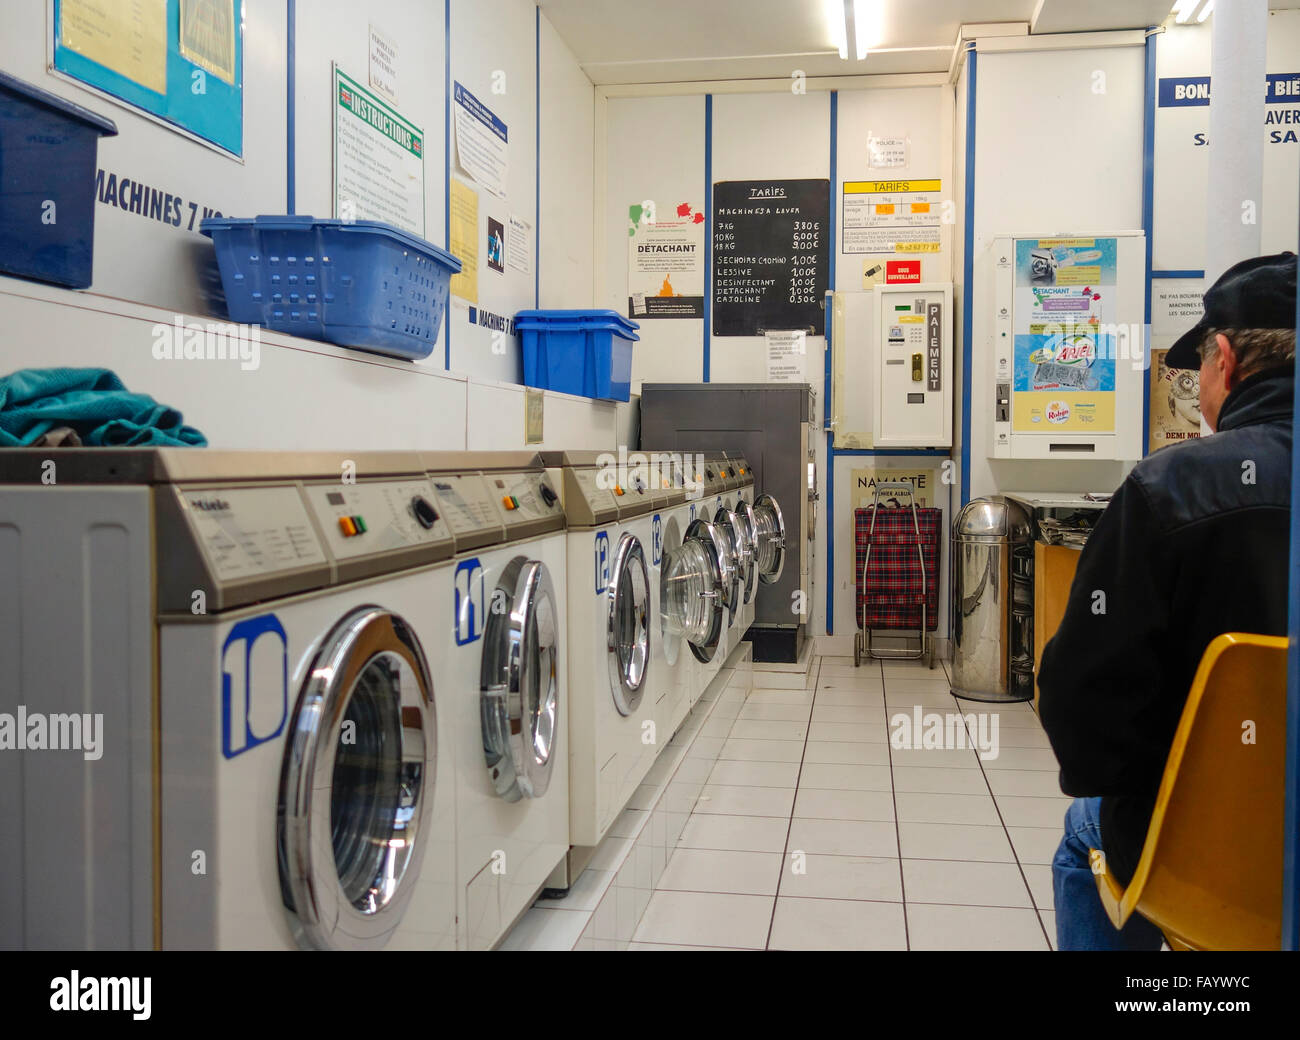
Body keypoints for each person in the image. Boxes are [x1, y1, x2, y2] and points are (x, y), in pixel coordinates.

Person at [1038, 252, 1297, 951]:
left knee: (1084, 834)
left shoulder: (1169, 491)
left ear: (1224, 361)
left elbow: (1079, 705)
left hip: (1198, 860)